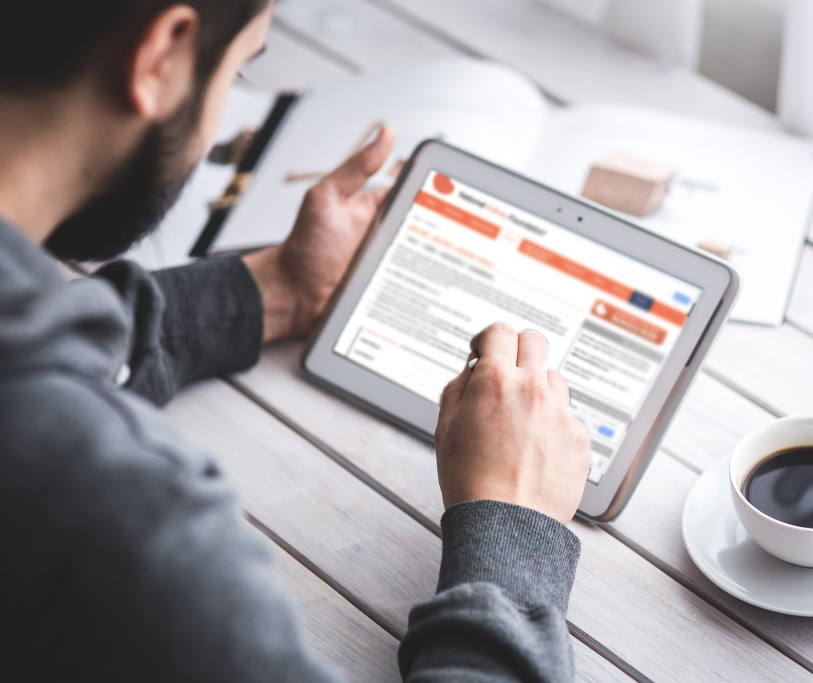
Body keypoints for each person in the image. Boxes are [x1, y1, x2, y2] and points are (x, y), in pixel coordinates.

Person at [0, 1, 592, 681]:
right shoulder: (121, 522)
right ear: (163, 53)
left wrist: (273, 288)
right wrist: (511, 525)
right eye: (239, 68)